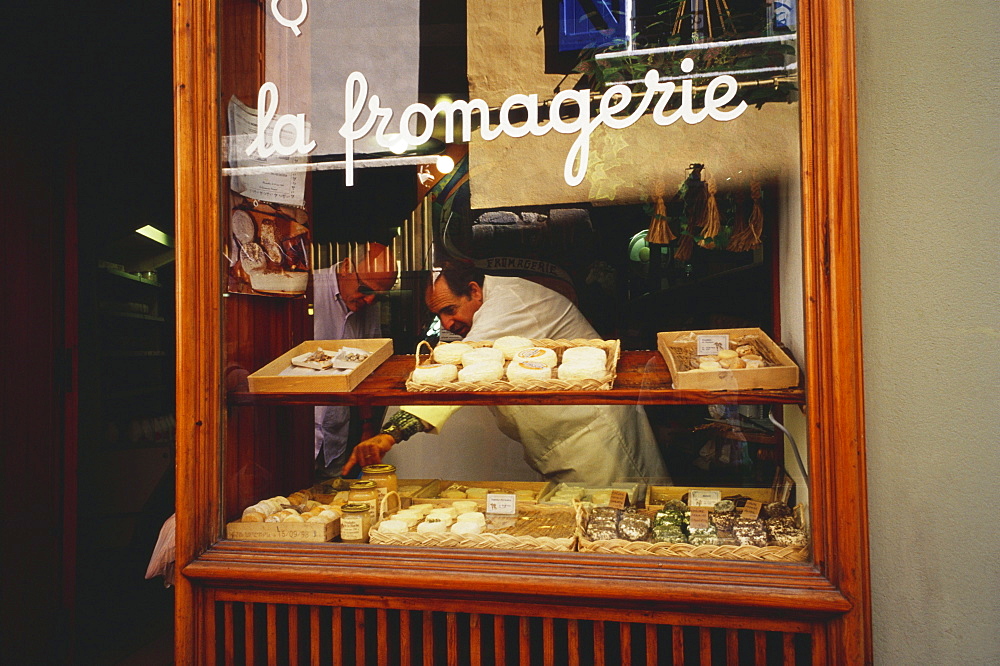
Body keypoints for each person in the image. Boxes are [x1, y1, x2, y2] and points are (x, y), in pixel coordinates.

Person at [342, 261, 669, 486]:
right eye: (438, 315)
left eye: (449, 310)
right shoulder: (491, 303)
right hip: (562, 441)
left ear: (475, 291)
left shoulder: (508, 305)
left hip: (596, 438)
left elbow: (460, 375)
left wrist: (392, 433)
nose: (446, 324)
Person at [314, 242, 398, 478]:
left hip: (336, 431)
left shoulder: (366, 305)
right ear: (346, 267)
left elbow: (368, 369)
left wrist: (367, 426)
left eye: (378, 296)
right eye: (366, 289)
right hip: (296, 431)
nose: (370, 301)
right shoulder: (310, 288)